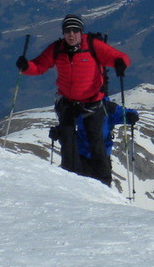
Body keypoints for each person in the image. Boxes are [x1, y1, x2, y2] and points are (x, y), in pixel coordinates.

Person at [16, 14, 131, 185]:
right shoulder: (57, 48)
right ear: (63, 32)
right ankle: (71, 182)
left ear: (80, 32)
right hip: (68, 102)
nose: (71, 34)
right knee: (67, 142)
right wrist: (26, 67)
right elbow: (39, 66)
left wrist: (121, 63)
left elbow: (118, 57)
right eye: (68, 31)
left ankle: (104, 183)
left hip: (93, 102)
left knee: (96, 143)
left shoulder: (93, 45)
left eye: (75, 31)